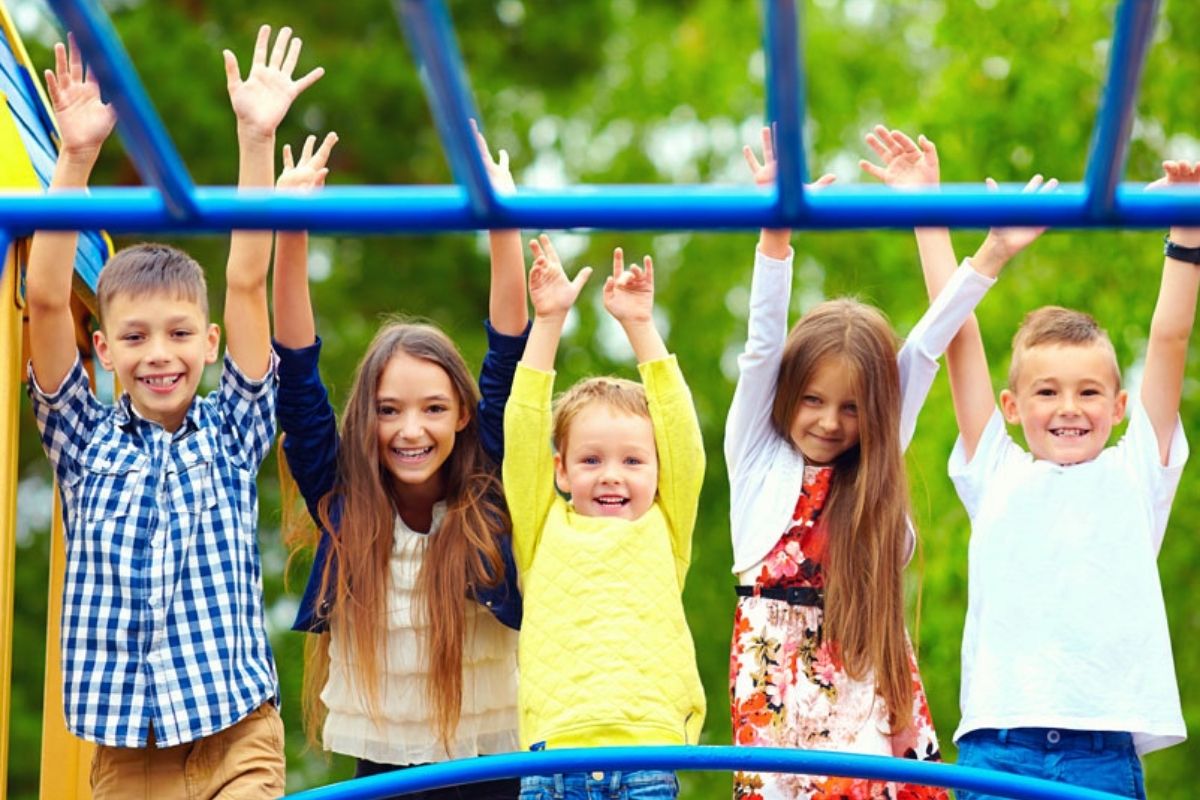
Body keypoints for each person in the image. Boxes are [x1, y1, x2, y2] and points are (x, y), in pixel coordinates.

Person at [25, 25, 321, 799]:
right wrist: (76, 160)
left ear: (211, 340)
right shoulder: (81, 439)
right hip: (129, 756)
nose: (160, 352)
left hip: (235, 736)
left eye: (181, 333)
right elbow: (47, 298)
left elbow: (249, 280)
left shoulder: (233, 430)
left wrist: (256, 141)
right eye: (136, 336)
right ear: (105, 349)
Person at [874, 126, 1195, 800]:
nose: (1068, 407)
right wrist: (927, 211)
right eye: (1047, 391)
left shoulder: (1137, 472)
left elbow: (1169, 339)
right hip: (999, 748)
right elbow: (958, 337)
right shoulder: (999, 470)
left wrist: (1186, 231)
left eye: (1088, 392)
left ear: (1118, 405)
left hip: (1101, 752)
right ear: (1013, 406)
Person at [726, 127, 1000, 800]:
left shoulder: (870, 465)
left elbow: (927, 347)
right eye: (814, 400)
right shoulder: (757, 454)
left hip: (867, 667)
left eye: (850, 408)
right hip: (776, 681)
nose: (829, 421)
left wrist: (991, 253)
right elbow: (763, 345)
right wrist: (775, 240)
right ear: (789, 397)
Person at [273, 122, 528, 800]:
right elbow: (296, 376)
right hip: (383, 767)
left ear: (465, 414)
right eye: (389, 410)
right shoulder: (345, 496)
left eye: (433, 409)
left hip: (489, 763)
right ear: (367, 418)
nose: (409, 430)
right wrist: (289, 230)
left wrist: (504, 223)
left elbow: (508, 353)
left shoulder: (489, 489)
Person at [502, 234, 705, 800]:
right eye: (591, 460)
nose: (612, 475)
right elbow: (521, 434)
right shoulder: (542, 527)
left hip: (646, 755)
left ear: (660, 472)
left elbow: (684, 441)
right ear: (561, 471)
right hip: (553, 757)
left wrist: (641, 326)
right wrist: (547, 323)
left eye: (633, 460)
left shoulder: (664, 527)